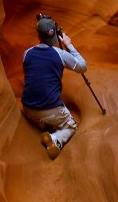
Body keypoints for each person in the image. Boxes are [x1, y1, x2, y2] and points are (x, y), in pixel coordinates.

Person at [21, 16, 87, 160]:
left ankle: (42, 123)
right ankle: (55, 139)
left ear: (38, 35)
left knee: (41, 110)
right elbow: (83, 67)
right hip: (49, 109)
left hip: (27, 107)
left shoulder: (27, 54)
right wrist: (69, 45)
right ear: (55, 36)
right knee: (71, 127)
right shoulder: (60, 54)